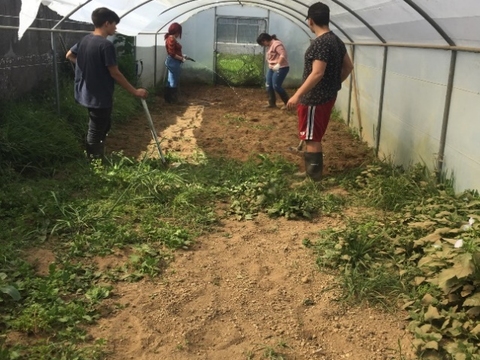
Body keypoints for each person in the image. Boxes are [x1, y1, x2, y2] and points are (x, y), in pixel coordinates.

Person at [66, 7, 148, 160]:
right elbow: (115, 73)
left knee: (103, 123)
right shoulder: (105, 45)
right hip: (99, 95)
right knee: (96, 129)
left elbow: (69, 55)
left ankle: (96, 154)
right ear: (106, 23)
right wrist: (135, 92)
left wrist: (87, 66)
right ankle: (94, 162)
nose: (115, 28)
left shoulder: (85, 40)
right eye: (114, 24)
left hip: (85, 92)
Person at [286, 2, 353, 182]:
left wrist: (297, 94)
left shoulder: (320, 43)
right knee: (313, 136)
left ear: (311, 21)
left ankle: (313, 178)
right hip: (327, 96)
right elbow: (348, 67)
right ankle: (310, 172)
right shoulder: (336, 41)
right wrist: (333, 84)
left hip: (315, 99)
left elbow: (317, 73)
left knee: (312, 138)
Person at [257, 33, 290, 109]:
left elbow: (283, 54)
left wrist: (278, 64)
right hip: (272, 68)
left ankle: (288, 103)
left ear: (264, 40)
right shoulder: (269, 45)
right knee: (268, 85)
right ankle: (272, 103)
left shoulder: (276, 44)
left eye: (262, 43)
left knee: (276, 86)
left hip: (281, 67)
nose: (263, 45)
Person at [164, 22, 186, 104]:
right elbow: (172, 54)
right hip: (173, 62)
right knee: (173, 80)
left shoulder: (170, 38)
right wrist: (181, 58)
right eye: (178, 32)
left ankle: (168, 99)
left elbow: (174, 52)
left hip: (172, 61)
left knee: (170, 80)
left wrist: (181, 55)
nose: (178, 34)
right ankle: (173, 100)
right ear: (176, 31)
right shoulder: (171, 39)